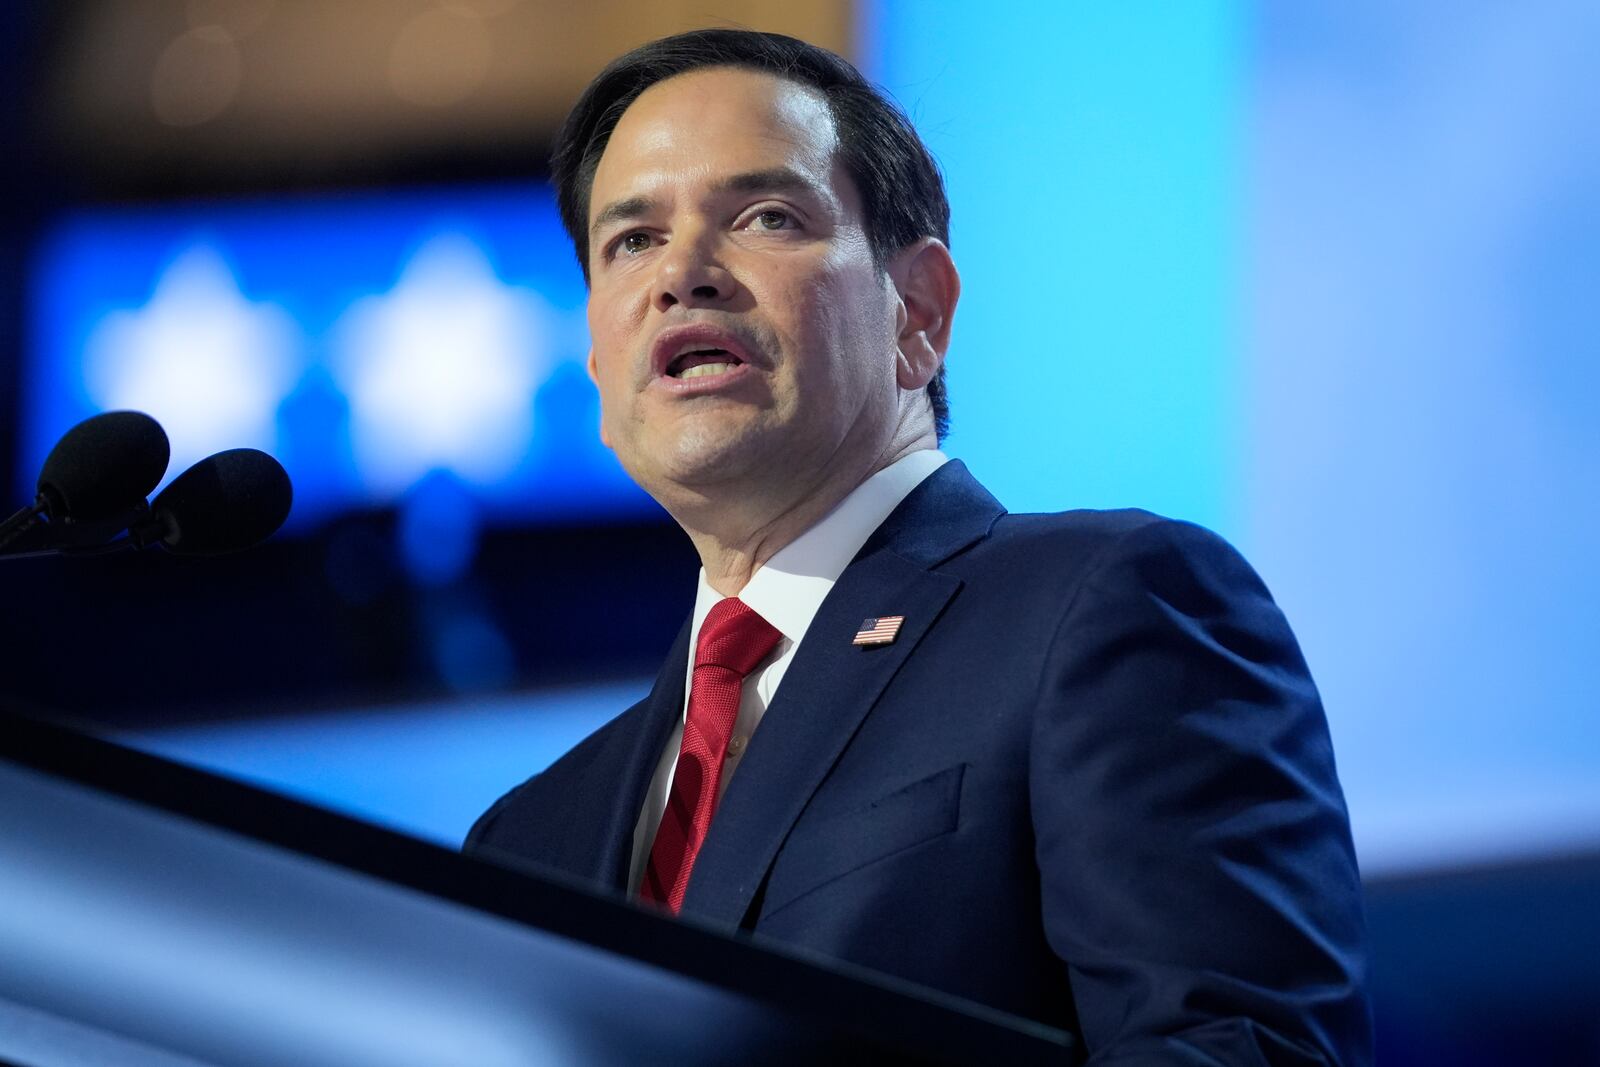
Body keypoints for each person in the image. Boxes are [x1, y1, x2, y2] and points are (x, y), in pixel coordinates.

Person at [467, 28, 1371, 1065]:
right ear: (595, 352)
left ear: (920, 312)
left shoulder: (1102, 608)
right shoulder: (530, 833)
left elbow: (1238, 1046)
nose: (682, 275)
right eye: (630, 240)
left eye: (765, 215)